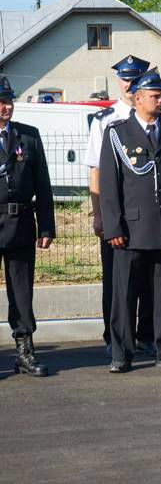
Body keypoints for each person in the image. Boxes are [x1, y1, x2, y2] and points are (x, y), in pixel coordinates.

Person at [99, 70, 161, 372]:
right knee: (125, 294)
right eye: (155, 96)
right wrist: (113, 226)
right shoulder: (117, 133)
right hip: (131, 229)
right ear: (138, 98)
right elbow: (109, 185)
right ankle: (122, 352)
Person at [84, 54, 154, 356]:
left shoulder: (154, 117)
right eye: (125, 79)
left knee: (148, 279)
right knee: (116, 281)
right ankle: (114, 336)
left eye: (135, 79)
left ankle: (146, 335)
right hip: (118, 214)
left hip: (148, 215)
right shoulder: (106, 120)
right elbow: (95, 170)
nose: (129, 84)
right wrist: (99, 214)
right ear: (119, 82)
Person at [0, 75, 55, 376]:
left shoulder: (28, 137)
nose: (6, 107)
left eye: (9, 101)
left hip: (20, 222)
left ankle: (25, 350)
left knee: (21, 291)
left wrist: (46, 227)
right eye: (1, 102)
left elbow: (43, 185)